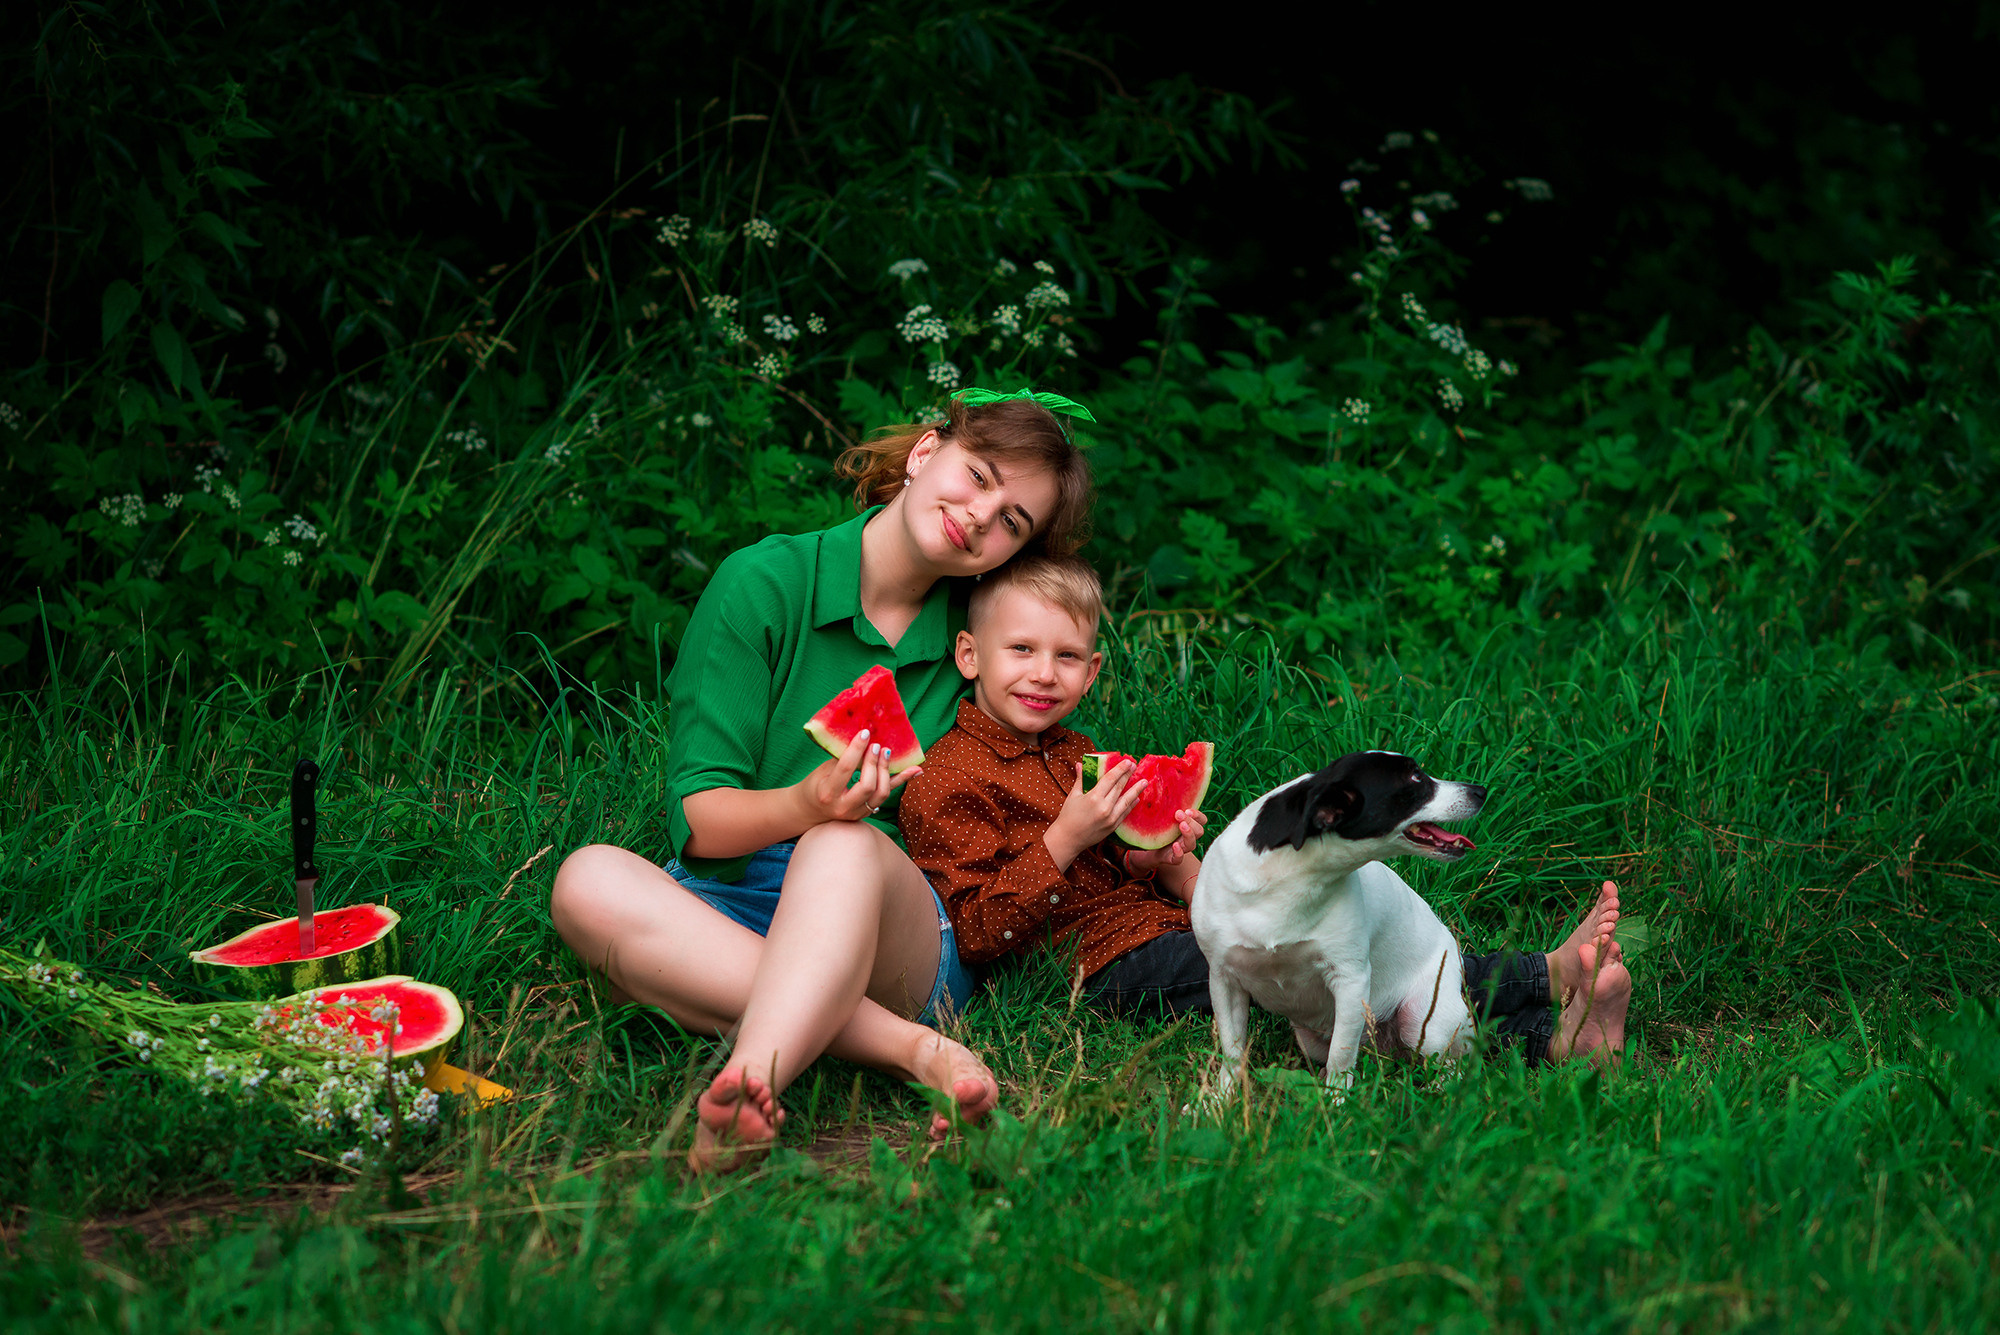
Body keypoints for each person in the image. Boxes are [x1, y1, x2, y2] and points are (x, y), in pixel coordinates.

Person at [549, 388, 1095, 1170]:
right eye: (978, 476)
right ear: (923, 452)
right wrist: (806, 800)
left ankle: (748, 1080)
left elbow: (1040, 765)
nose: (981, 515)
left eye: (1013, 520)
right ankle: (912, 1049)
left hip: (890, 927)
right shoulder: (764, 584)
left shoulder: (986, 638)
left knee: (839, 844)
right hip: (725, 898)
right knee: (585, 879)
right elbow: (700, 822)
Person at [898, 554, 1631, 1065]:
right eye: (1020, 648)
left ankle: (1549, 1036)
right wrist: (1063, 839)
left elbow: (1114, 860)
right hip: (1097, 967)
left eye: (1065, 656)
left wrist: (1147, 859)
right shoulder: (944, 781)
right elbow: (976, 933)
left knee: (1328, 990)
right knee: (1303, 979)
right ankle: (1542, 978)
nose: (1042, 672)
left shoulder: (1075, 750)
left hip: (1168, 924)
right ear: (969, 655)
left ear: (1091, 670)